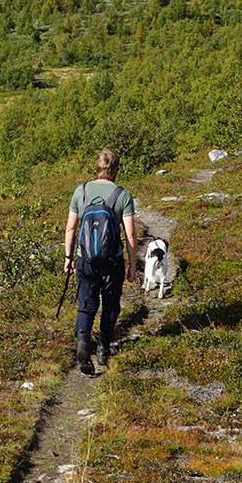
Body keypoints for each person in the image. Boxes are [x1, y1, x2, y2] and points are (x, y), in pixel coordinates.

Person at [63, 148, 137, 375]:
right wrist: (132, 264)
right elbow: (130, 235)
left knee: (86, 304)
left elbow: (71, 228)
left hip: (85, 259)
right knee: (111, 304)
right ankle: (103, 348)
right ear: (114, 171)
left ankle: (83, 343)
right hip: (112, 261)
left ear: (97, 168)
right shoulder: (122, 195)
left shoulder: (81, 191)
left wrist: (68, 258)